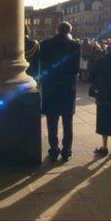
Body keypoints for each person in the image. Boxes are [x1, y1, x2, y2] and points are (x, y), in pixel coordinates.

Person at [40, 21, 80, 162]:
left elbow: (42, 67)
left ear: (57, 30)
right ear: (69, 31)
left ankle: (54, 149)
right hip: (67, 88)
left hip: (51, 88)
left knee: (52, 122)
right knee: (67, 122)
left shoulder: (45, 44)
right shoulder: (75, 45)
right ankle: (66, 150)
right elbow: (76, 69)